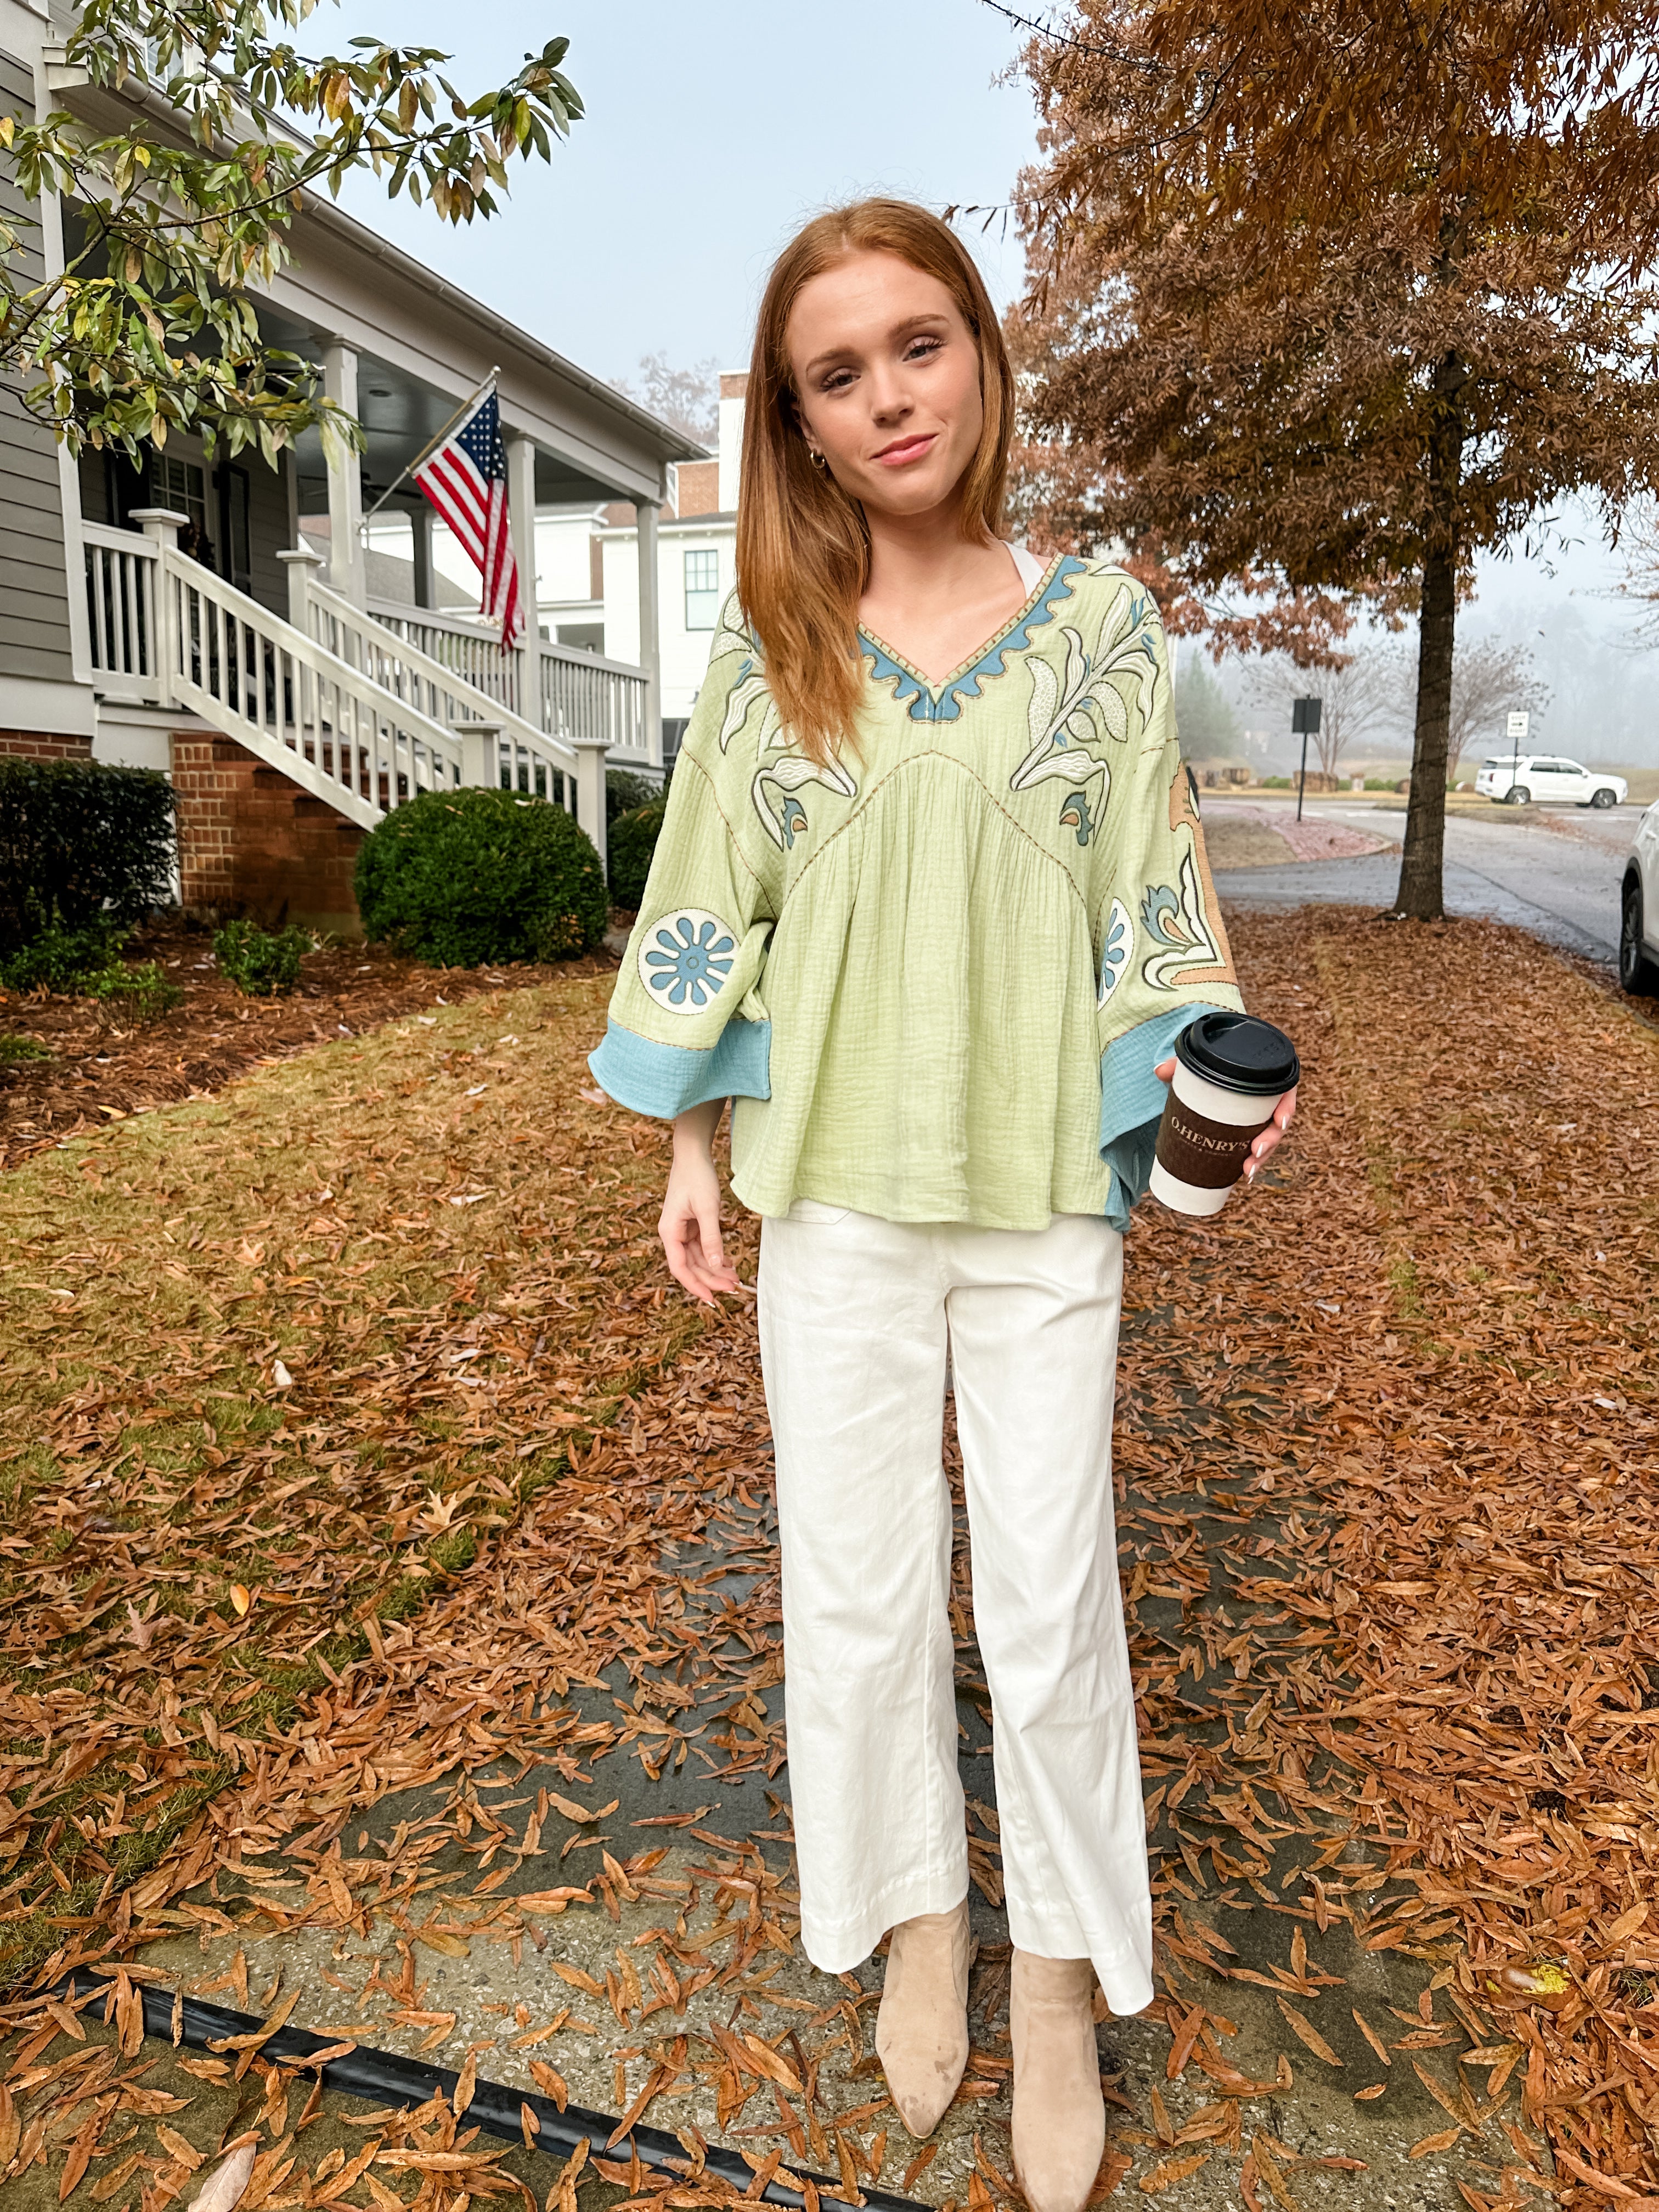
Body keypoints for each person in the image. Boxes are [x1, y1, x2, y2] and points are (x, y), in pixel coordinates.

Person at [589, 199, 1295, 2212]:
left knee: (1054, 1602)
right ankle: (920, 1916)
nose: (888, 394)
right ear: (797, 424)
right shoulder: (771, 646)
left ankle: (1059, 1968)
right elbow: (712, 893)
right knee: (863, 1586)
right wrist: (687, 1141)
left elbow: (1154, 907)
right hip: (834, 1193)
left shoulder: (1103, 626)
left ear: (981, 356)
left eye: (919, 345)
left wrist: (1211, 1080)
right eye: (837, 372)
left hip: (1038, 1191)